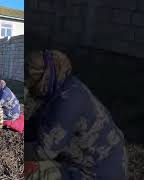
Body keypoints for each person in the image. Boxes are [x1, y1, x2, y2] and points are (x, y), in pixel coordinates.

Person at [24, 50, 128, 180]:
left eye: (31, 80)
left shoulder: (68, 101)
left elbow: (42, 152)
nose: (28, 85)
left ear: (44, 77)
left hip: (96, 172)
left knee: (31, 172)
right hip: (84, 162)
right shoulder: (60, 90)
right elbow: (35, 124)